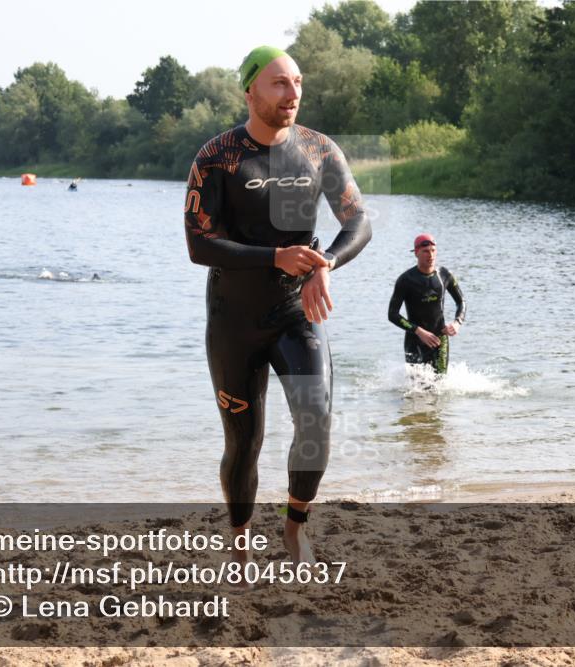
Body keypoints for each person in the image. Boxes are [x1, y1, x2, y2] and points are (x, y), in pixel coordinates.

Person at [183, 45, 370, 565]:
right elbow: (200, 245)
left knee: (316, 419)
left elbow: (359, 222)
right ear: (250, 90)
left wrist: (324, 262)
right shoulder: (217, 158)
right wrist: (276, 256)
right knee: (244, 442)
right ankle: (240, 540)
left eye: (297, 83)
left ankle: (295, 525)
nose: (293, 94)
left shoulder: (317, 150)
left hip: (295, 315)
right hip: (233, 323)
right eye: (279, 84)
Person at [388, 234, 466, 375]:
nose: (430, 255)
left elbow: (461, 302)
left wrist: (457, 323)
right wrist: (419, 331)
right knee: (417, 389)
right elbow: (392, 314)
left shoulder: (444, 275)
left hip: (439, 339)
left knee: (440, 387)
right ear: (416, 253)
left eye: (433, 250)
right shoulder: (405, 280)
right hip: (415, 340)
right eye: (425, 251)